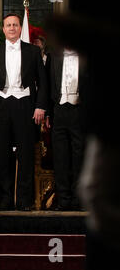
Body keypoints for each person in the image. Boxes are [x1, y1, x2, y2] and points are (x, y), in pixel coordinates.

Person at [0, 13, 48, 211]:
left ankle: (24, 201)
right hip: (1, 106)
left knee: (26, 153)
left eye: (15, 25)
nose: (12, 28)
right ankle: (4, 200)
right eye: (8, 25)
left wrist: (40, 106)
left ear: (20, 28)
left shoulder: (32, 51)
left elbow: (43, 82)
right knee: (3, 154)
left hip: (26, 106)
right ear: (3, 29)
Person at [45, 48, 87, 211]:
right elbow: (47, 84)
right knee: (60, 157)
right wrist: (48, 112)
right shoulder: (53, 55)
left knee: (80, 156)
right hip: (59, 110)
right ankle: (63, 200)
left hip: (80, 110)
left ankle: (79, 199)